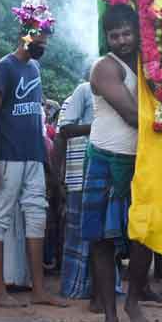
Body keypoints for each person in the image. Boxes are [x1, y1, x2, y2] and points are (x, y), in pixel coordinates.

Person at [0, 19, 64, 308]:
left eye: (46, 37)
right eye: (39, 36)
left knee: (37, 217)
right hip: (7, 155)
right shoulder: (4, 67)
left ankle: (39, 290)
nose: (43, 42)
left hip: (33, 156)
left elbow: (37, 118)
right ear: (24, 34)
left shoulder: (34, 67)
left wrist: (44, 156)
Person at [83, 4, 151, 322]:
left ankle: (134, 301)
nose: (122, 40)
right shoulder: (104, 67)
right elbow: (132, 115)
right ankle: (110, 316)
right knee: (101, 241)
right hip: (105, 158)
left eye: (127, 33)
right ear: (106, 38)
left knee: (144, 237)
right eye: (114, 35)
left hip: (141, 161)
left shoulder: (148, 63)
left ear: (137, 32)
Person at [56, 80, 95, 300]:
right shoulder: (77, 96)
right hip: (77, 174)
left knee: (100, 236)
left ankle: (97, 287)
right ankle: (74, 287)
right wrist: (58, 176)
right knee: (77, 234)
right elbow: (62, 134)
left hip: (101, 172)